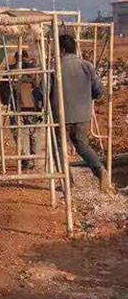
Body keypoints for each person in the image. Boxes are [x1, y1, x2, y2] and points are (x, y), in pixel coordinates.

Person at [55, 34, 110, 192]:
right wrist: (86, 96)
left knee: (59, 147)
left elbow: (44, 93)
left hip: (61, 116)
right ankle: (100, 170)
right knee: (82, 145)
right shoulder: (87, 66)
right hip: (83, 115)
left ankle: (67, 182)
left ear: (62, 50)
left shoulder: (55, 68)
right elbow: (99, 92)